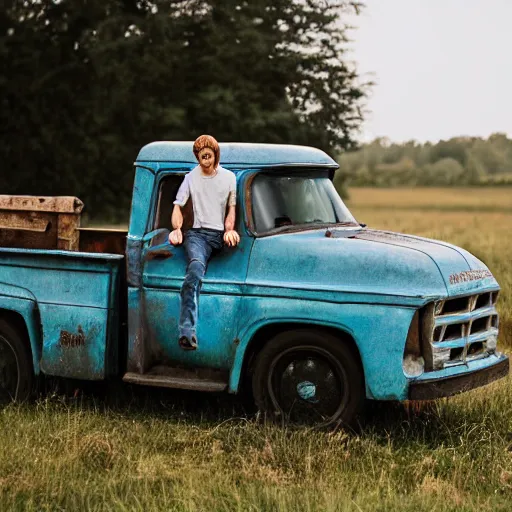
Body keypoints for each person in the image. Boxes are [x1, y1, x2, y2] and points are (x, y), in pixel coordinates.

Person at [169, 135, 240, 350]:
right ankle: (187, 331)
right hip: (197, 235)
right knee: (195, 270)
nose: (205, 161)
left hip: (218, 235)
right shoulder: (191, 177)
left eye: (208, 156)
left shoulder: (229, 178)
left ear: (215, 154)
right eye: (201, 157)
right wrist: (177, 229)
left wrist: (229, 230)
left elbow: (231, 208)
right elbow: (177, 205)